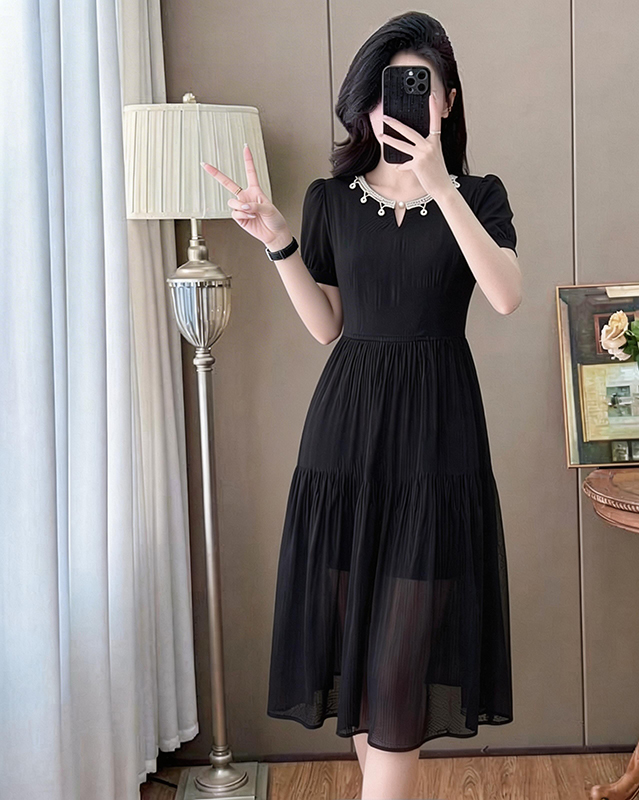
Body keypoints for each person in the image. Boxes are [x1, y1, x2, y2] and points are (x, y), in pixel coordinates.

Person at [202, 11, 521, 799]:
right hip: (344, 442)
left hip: (438, 443)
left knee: (399, 674)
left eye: (418, 87)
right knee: (361, 674)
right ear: (364, 104)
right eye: (385, 90)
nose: (399, 105)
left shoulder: (479, 195)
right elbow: (326, 326)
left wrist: (440, 187)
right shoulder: (332, 200)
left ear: (447, 101)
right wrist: (278, 239)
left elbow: (506, 295)